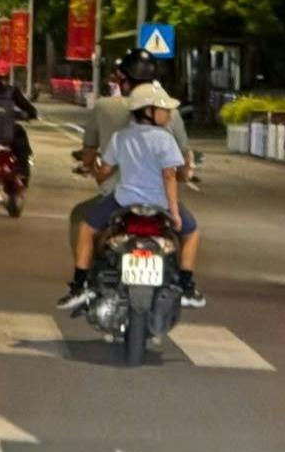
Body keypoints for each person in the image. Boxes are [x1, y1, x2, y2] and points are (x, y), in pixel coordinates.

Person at [60, 81, 203, 308]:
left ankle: (79, 287)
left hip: (123, 201)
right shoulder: (166, 139)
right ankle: (187, 288)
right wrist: (174, 212)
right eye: (164, 109)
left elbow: (106, 170)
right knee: (191, 232)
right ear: (148, 111)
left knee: (86, 228)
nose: (168, 114)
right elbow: (169, 176)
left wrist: (96, 173)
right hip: (160, 204)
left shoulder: (121, 137)